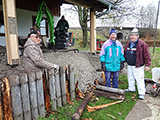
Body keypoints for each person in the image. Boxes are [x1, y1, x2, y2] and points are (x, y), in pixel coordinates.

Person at [124, 27, 151, 100]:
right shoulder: (129, 43)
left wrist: (148, 64)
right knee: (130, 77)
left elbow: (147, 55)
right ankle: (131, 88)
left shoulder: (142, 44)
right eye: (131, 35)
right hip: (130, 64)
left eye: (133, 35)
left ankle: (142, 93)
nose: (131, 37)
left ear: (137, 36)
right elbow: (125, 52)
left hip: (138, 65)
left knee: (139, 79)